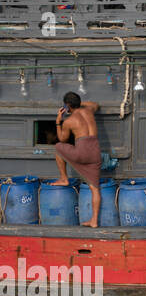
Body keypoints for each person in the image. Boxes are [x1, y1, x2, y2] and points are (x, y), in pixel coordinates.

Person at [52, 92, 102, 227]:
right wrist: (79, 104)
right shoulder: (89, 110)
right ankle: (94, 221)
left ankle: (63, 178)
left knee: (58, 148)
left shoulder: (69, 121)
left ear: (67, 106)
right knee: (95, 189)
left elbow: (62, 139)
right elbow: (95, 104)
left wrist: (58, 121)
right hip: (95, 153)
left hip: (82, 152)